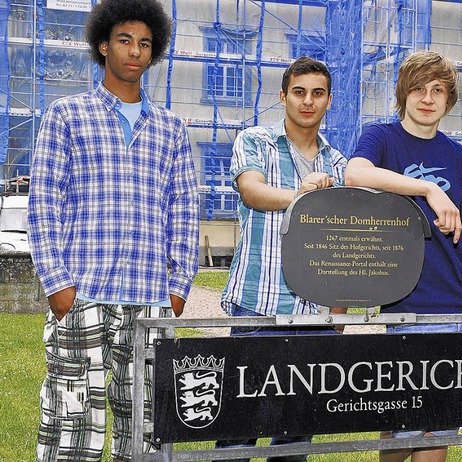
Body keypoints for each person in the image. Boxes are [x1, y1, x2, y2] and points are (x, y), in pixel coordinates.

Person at [27, 0, 200, 460]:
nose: (135, 51)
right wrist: (58, 285)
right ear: (103, 45)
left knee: (145, 425)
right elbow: (44, 204)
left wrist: (178, 286)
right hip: (82, 292)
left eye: (145, 43)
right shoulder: (66, 115)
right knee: (73, 423)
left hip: (150, 297)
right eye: (125, 40)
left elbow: (183, 209)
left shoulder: (171, 130)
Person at [345, 50, 462, 462]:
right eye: (417, 88)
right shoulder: (382, 138)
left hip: (459, 307)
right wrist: (429, 189)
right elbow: (355, 174)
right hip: (407, 301)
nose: (427, 98)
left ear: (449, 100)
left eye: (438, 90)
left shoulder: (461, 157)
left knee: (440, 424)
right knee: (400, 422)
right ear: (403, 94)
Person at [216, 56, 347, 461]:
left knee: (296, 435)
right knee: (239, 429)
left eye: (318, 93)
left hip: (317, 314)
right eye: (299, 92)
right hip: (259, 305)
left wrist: (337, 314)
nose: (308, 101)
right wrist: (305, 198)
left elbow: (341, 241)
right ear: (283, 96)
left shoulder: (339, 164)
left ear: (328, 101)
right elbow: (252, 192)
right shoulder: (255, 140)